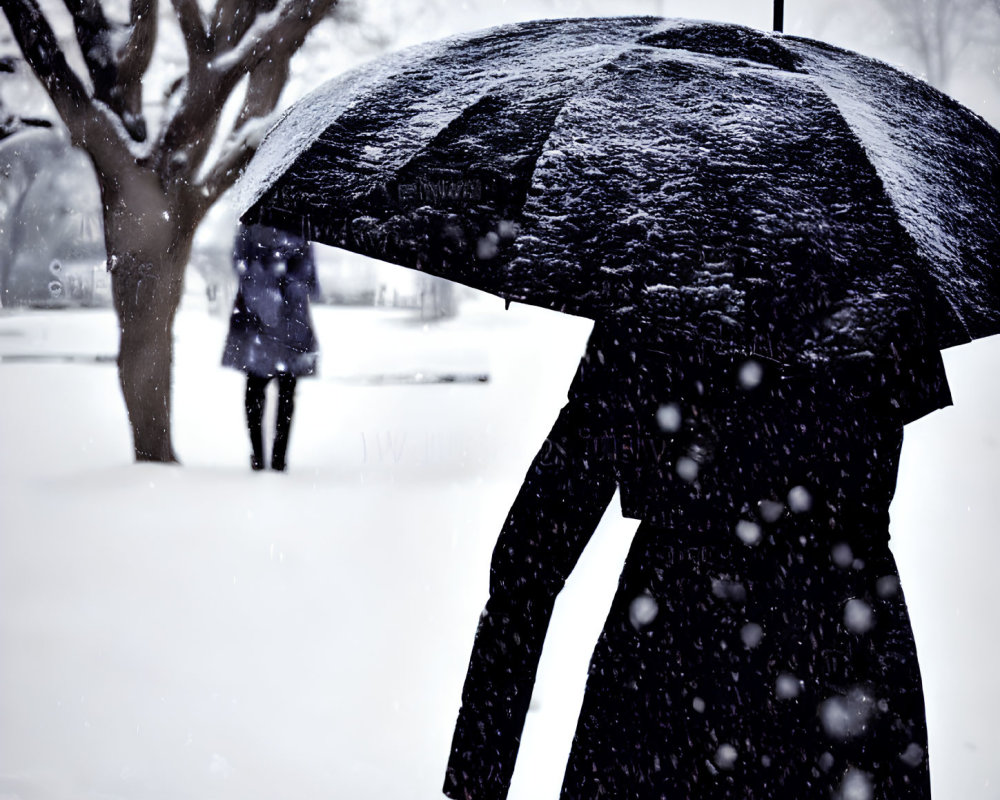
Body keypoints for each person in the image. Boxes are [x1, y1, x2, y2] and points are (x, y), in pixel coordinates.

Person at [444, 319, 950, 800]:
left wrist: (480, 761)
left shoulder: (665, 277)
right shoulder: (873, 279)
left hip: (678, 648)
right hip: (837, 650)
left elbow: (541, 537)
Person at [222, 222, 320, 471]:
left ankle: (272, 458)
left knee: (275, 390)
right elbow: (241, 263)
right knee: (265, 389)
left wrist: (282, 284)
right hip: (267, 324)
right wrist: (273, 287)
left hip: (281, 324)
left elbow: (306, 275)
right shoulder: (286, 226)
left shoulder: (295, 226)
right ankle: (268, 457)